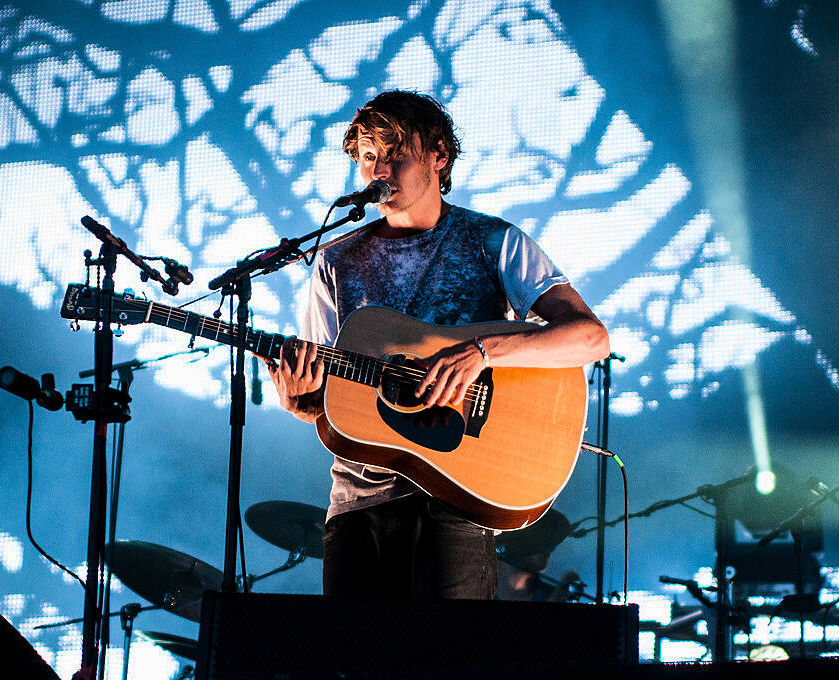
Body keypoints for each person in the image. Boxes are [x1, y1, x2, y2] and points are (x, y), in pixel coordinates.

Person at [261, 90, 609, 600]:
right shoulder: (335, 261)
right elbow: (321, 403)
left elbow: (590, 337)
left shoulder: (493, 240)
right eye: (367, 157)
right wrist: (298, 398)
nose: (379, 169)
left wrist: (482, 352)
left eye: (395, 154)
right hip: (358, 505)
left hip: (460, 498)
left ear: (439, 156)